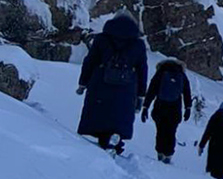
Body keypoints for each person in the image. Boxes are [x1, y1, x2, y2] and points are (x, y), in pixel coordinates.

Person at [76, 13, 147, 154]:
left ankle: (104, 139)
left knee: (100, 112)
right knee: (120, 114)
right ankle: (116, 140)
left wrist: (83, 83)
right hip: (127, 86)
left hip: (100, 82)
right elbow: (142, 69)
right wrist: (140, 94)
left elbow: (90, 61)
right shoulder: (138, 44)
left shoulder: (102, 39)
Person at [141, 57, 192, 163]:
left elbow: (152, 90)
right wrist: (188, 108)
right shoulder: (181, 74)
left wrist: (146, 106)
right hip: (175, 108)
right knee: (171, 132)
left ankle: (160, 153)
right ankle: (168, 155)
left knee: (160, 131)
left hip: (160, 106)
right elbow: (187, 91)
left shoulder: (160, 72)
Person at [197, 100, 223, 179]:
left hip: (214, 148)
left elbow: (207, 133)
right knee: (221, 173)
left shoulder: (214, 118)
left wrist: (201, 145)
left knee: (214, 171)